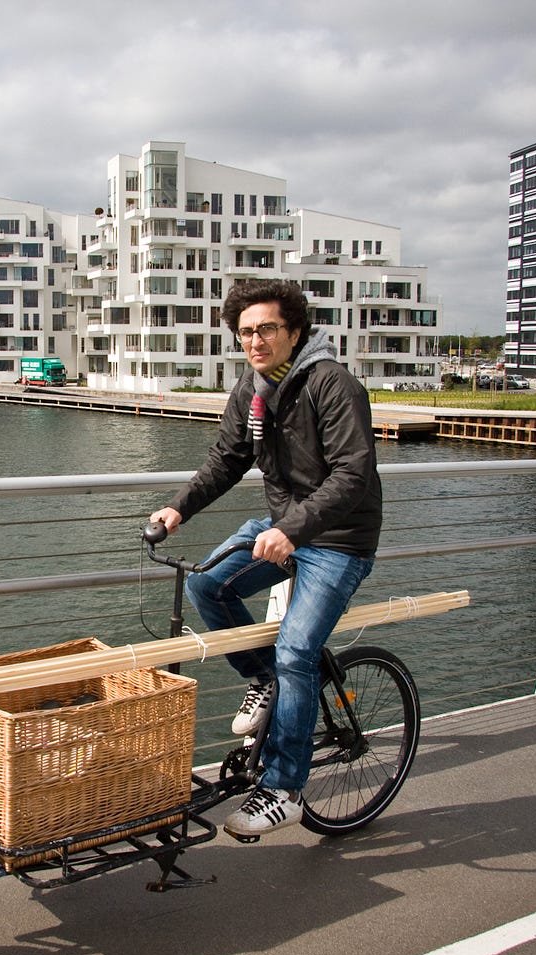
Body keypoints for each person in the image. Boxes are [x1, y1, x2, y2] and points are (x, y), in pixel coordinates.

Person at [149, 278, 382, 838]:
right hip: (285, 529)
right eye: (246, 332)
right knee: (209, 585)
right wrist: (178, 509)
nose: (255, 340)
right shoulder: (252, 390)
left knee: (297, 651)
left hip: (339, 539)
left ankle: (284, 788)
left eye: (267, 329)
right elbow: (227, 459)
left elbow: (354, 473)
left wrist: (295, 530)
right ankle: (263, 681)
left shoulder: (332, 384)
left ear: (294, 331)